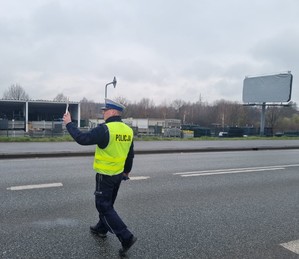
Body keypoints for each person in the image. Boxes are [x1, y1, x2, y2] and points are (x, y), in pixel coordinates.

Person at [63, 98, 137, 256]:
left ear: (112, 112)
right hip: (118, 175)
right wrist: (126, 172)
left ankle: (126, 237)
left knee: (103, 206)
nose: (103, 113)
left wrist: (69, 123)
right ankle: (101, 228)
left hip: (105, 176)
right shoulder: (127, 130)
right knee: (108, 204)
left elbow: (82, 139)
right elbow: (130, 154)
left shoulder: (105, 129)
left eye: (104, 111)